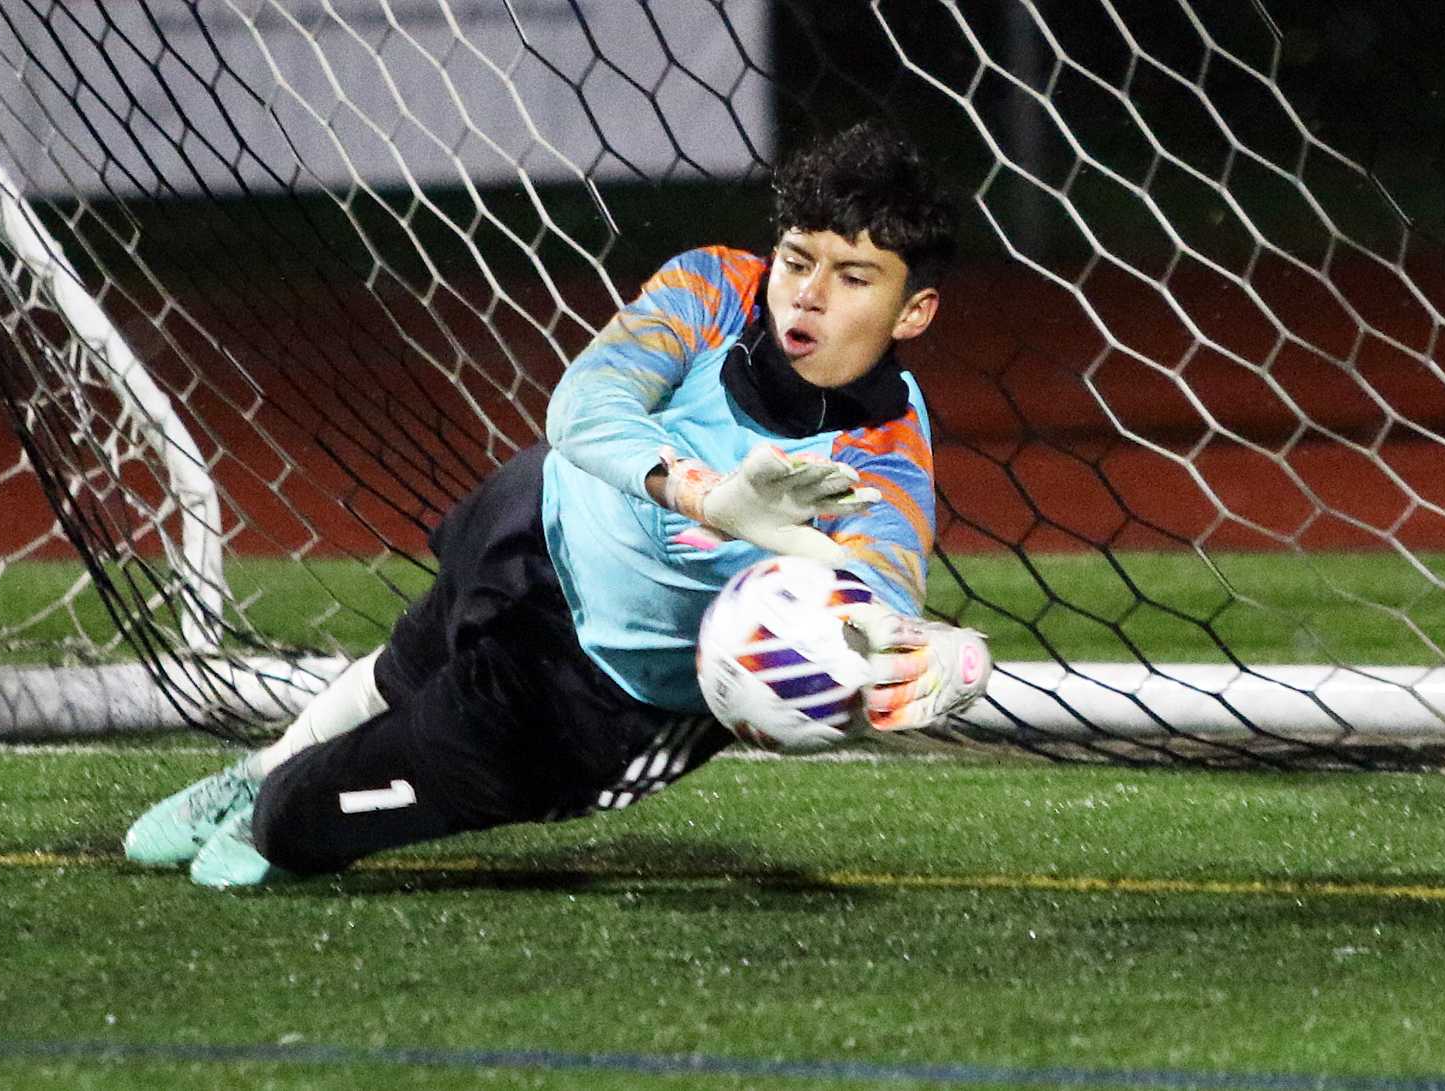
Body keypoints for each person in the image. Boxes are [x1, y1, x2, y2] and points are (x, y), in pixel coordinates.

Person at [124, 120, 992, 888]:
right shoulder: (716, 287)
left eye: (852, 277)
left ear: (912, 311)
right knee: (404, 664)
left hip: (589, 694)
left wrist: (939, 657)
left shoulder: (882, 458)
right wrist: (710, 498)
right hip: (533, 530)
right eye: (799, 260)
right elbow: (584, 406)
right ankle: (261, 765)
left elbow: (878, 589)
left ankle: (274, 803)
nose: (807, 292)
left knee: (296, 821)